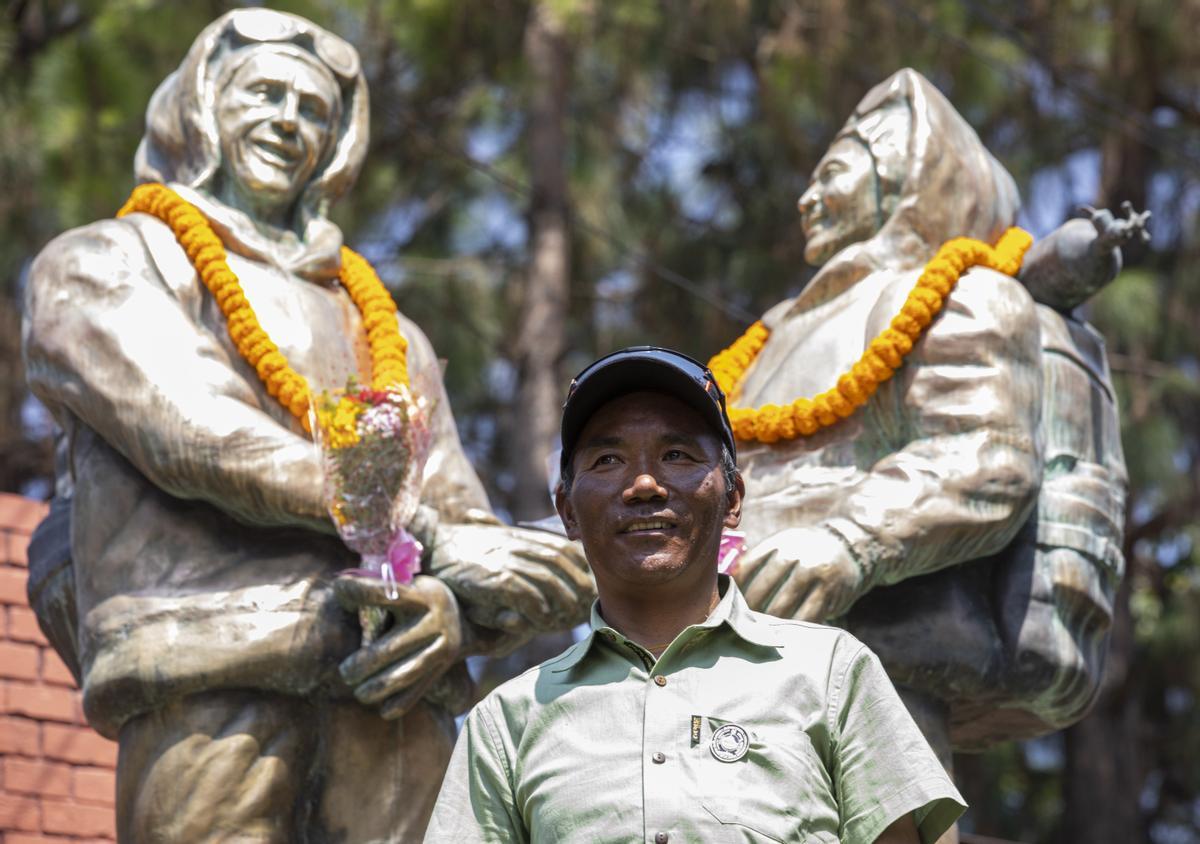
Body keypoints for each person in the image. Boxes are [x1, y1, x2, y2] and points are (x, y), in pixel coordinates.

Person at [22, 10, 591, 841]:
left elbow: (468, 522)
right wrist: (426, 530)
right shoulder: (108, 260)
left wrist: (453, 616)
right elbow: (197, 436)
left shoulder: (387, 332)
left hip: (399, 700)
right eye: (264, 94)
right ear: (202, 108)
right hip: (212, 679)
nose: (289, 120)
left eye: (313, 109)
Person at [726, 68, 1132, 756]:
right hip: (721, 675)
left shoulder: (957, 294)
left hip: (884, 667)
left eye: (833, 173)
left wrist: (850, 542)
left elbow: (985, 459)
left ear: (907, 175)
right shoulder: (762, 341)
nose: (806, 198)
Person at [425, 347, 966, 843]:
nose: (644, 485)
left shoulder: (832, 674)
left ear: (732, 499)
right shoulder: (505, 723)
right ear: (567, 510)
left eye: (678, 455)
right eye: (607, 460)